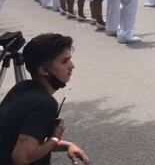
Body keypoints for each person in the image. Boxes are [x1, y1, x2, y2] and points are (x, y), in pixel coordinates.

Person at [0, 33, 89, 165]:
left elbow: (25, 141)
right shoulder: (45, 104)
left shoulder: (21, 88)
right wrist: (54, 138)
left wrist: (67, 145)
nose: (71, 66)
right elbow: (21, 157)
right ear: (44, 70)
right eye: (64, 61)